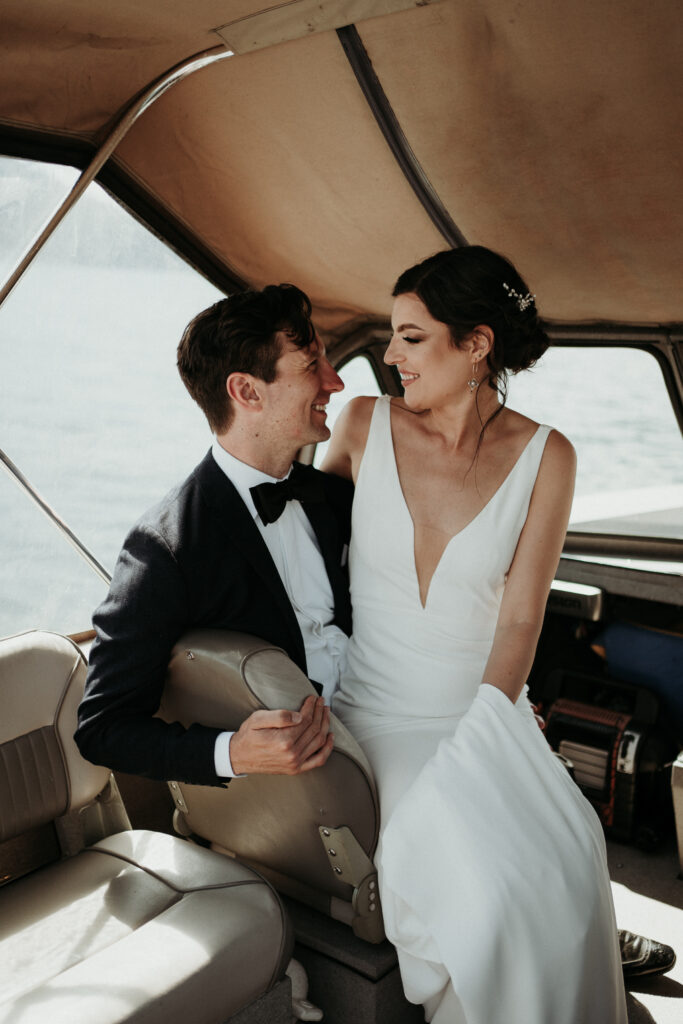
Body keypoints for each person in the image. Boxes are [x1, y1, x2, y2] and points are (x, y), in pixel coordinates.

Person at [322, 246, 629, 1023]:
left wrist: (486, 730)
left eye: (411, 337)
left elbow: (522, 617)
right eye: (390, 337)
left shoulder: (546, 457)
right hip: (373, 715)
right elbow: (302, 563)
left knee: (570, 856)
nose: (388, 356)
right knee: (487, 899)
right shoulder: (361, 424)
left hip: (480, 713)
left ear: (476, 345)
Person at [75, 283, 353, 785]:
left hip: (374, 734)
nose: (334, 383)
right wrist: (235, 754)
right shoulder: (165, 548)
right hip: (290, 796)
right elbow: (102, 729)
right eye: (312, 365)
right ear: (246, 391)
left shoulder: (336, 498)